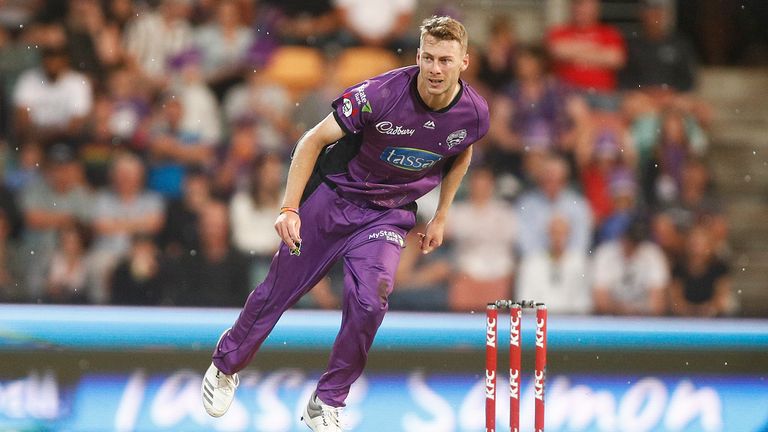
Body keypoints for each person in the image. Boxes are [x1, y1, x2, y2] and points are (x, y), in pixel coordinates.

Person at [201, 16, 488, 431]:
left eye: (445, 60)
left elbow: (463, 152)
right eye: (428, 58)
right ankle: (225, 365)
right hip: (333, 198)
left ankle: (328, 400)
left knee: (372, 301)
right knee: (278, 292)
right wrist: (289, 208)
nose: (435, 69)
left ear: (464, 62)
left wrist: (442, 214)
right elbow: (311, 140)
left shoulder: (475, 113)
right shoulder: (380, 94)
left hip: (388, 213)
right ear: (418, 56)